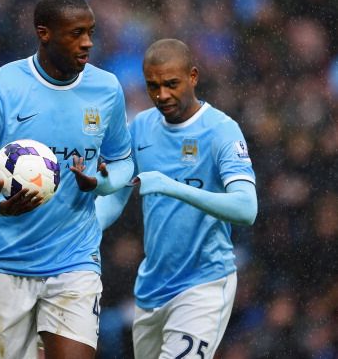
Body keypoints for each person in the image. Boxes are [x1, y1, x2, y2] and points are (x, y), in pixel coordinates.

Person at [0, 0, 134, 359]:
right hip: (2, 263)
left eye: (90, 33)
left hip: (74, 262)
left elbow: (125, 163)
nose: (87, 43)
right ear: (43, 33)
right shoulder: (0, 88)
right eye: (75, 34)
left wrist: (102, 191)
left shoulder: (106, 89)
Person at [96, 38, 258, 359]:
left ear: (193, 77)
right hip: (151, 287)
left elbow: (246, 207)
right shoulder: (140, 126)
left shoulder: (222, 131)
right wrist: (85, 227)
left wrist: (173, 186)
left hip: (204, 283)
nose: (162, 95)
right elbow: (117, 195)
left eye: (172, 84)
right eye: (153, 86)